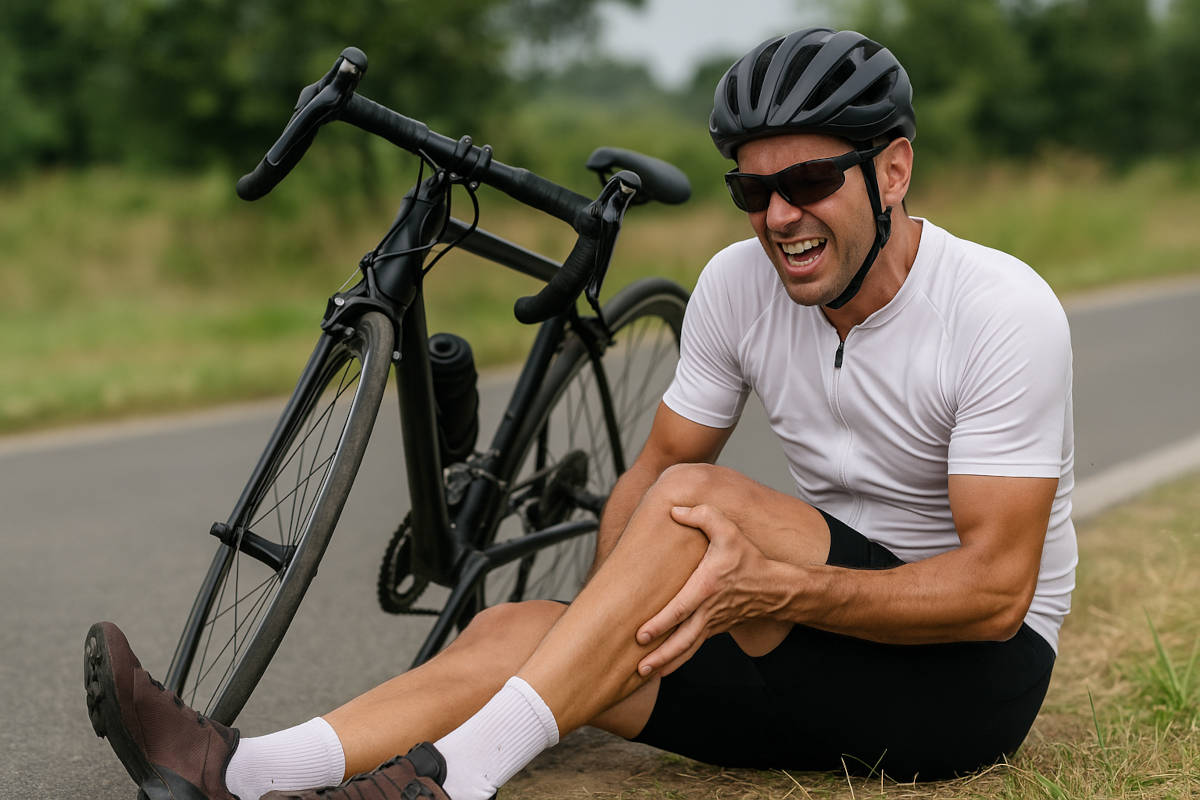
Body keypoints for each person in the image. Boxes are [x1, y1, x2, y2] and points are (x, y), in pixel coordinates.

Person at [84, 27, 1076, 800]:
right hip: (815, 676)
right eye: (753, 189)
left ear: (892, 171)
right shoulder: (741, 284)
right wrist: (603, 621)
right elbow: (648, 471)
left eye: (809, 182)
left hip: (966, 686)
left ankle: (452, 776)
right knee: (525, 623)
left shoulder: (998, 309)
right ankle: (239, 767)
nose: (779, 217)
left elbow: (994, 593)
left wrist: (773, 588)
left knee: (703, 503)